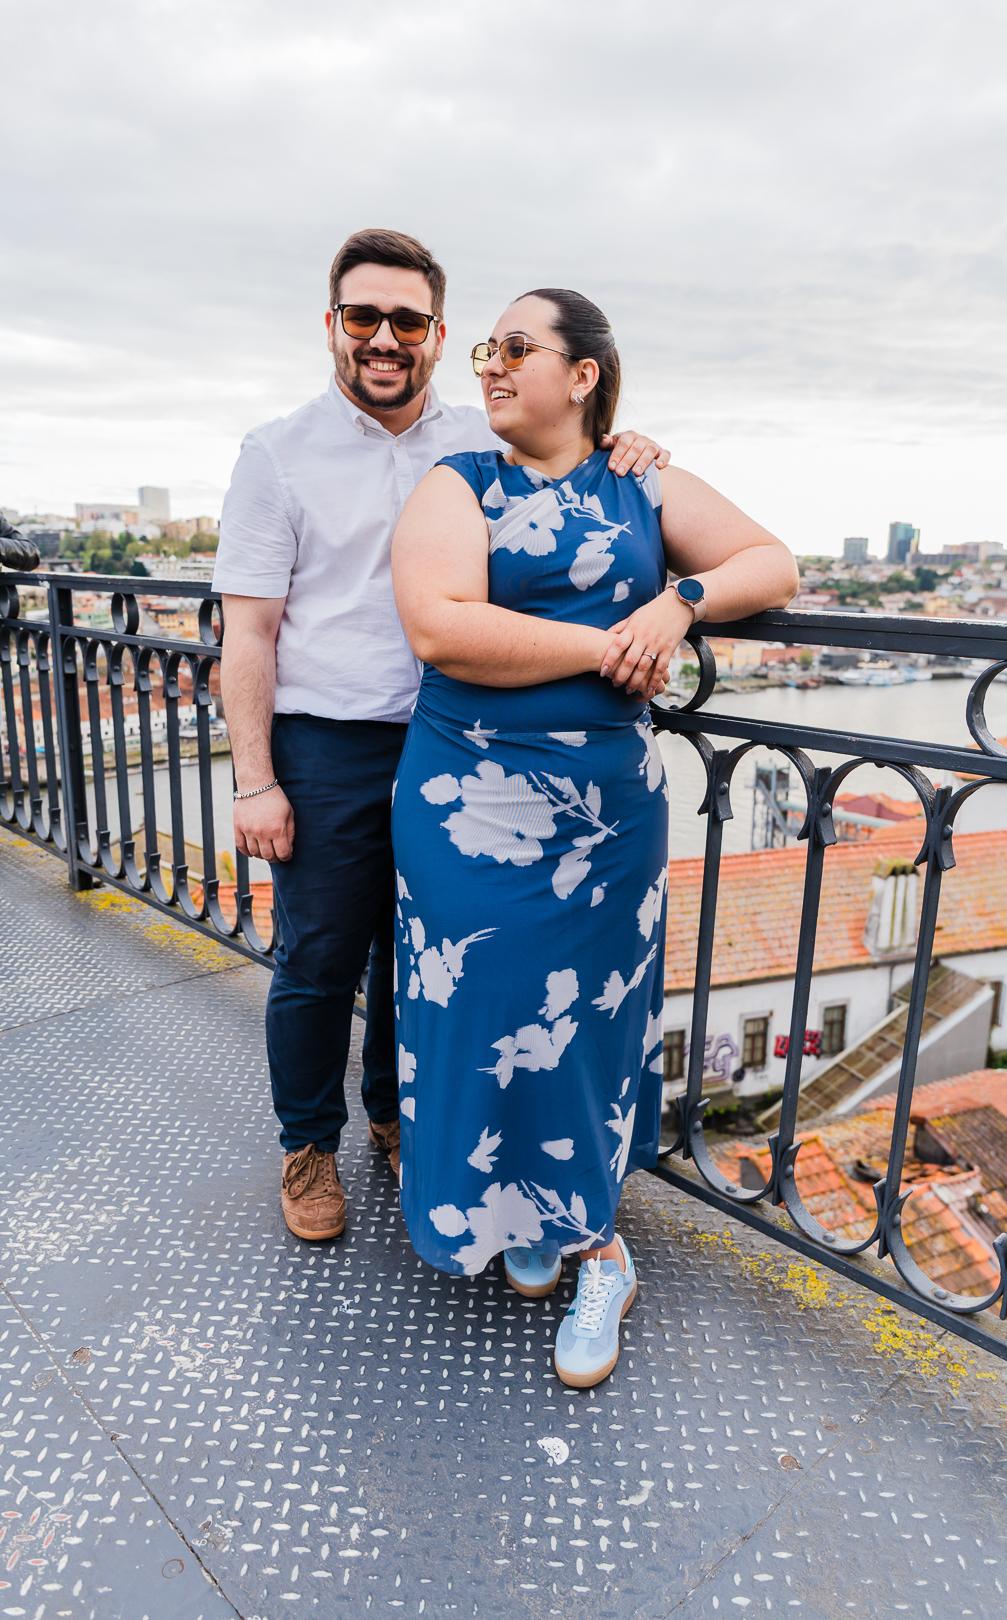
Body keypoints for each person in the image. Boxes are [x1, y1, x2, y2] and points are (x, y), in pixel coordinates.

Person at [213, 229, 669, 1243]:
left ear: (436, 334)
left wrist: (632, 445)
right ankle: (306, 1145)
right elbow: (248, 632)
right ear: (332, 327)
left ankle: (394, 1115)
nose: (385, 338)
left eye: (408, 321)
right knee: (322, 956)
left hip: (462, 746)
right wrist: (256, 780)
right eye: (364, 317)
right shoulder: (275, 453)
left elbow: (576, 453)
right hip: (327, 742)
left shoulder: (479, 432)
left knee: (422, 955)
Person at [391, 288, 798, 1387]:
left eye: (516, 346)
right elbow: (441, 626)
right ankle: (516, 1210)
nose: (490, 364)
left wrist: (681, 605)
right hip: (465, 805)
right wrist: (604, 643)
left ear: (583, 375)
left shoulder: (640, 481)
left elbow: (774, 562)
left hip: (605, 815)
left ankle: (595, 1246)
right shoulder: (457, 482)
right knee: (480, 1006)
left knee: (583, 1025)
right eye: (486, 347)